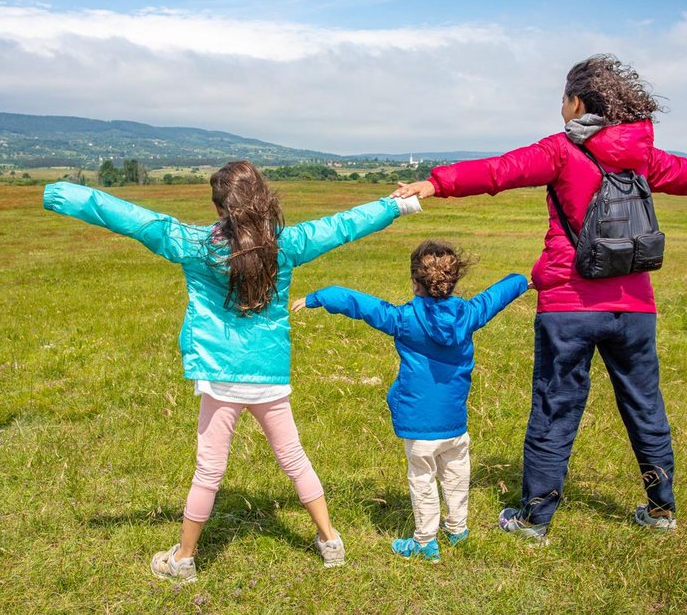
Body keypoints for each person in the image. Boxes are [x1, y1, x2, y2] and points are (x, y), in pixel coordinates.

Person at [392, 54, 687, 543]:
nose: (561, 105)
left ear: (578, 103)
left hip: (568, 306)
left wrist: (436, 183)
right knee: (645, 406)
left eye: (563, 98)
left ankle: (534, 519)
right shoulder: (643, 156)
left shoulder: (561, 151)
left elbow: (499, 171)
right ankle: (661, 510)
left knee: (556, 408)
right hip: (634, 307)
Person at [43, 160, 422, 582]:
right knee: (294, 459)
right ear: (263, 199)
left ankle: (183, 559)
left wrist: (64, 195)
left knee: (209, 470)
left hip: (219, 374)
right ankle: (330, 539)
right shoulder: (287, 243)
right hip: (269, 373)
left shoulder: (195, 244)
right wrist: (397, 205)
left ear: (220, 206)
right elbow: (343, 226)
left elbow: (133, 219)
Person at [293, 240, 528, 561]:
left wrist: (319, 297)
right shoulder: (469, 315)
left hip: (418, 426)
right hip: (455, 423)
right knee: (457, 475)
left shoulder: (403, 319)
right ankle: (458, 530)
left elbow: (361, 304)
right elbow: (495, 296)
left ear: (416, 281)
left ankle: (425, 542)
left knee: (423, 481)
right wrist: (522, 281)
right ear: (453, 279)